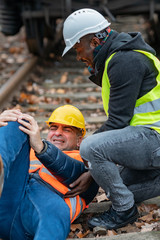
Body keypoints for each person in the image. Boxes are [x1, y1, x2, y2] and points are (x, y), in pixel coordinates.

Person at [62, 8, 160, 230]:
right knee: (120, 184)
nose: (78, 57)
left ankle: (124, 210)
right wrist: (95, 173)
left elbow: (117, 122)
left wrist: (88, 165)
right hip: (150, 139)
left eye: (78, 48)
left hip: (155, 138)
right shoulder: (122, 55)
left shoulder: (125, 60)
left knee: (90, 147)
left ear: (95, 42)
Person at [0, 105, 98, 240]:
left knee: (58, 209)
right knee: (19, 121)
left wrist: (42, 148)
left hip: (38, 216)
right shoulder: (28, 147)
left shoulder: (87, 163)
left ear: (79, 140)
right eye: (53, 128)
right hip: (8, 197)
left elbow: (73, 171)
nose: (58, 133)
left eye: (67, 129)